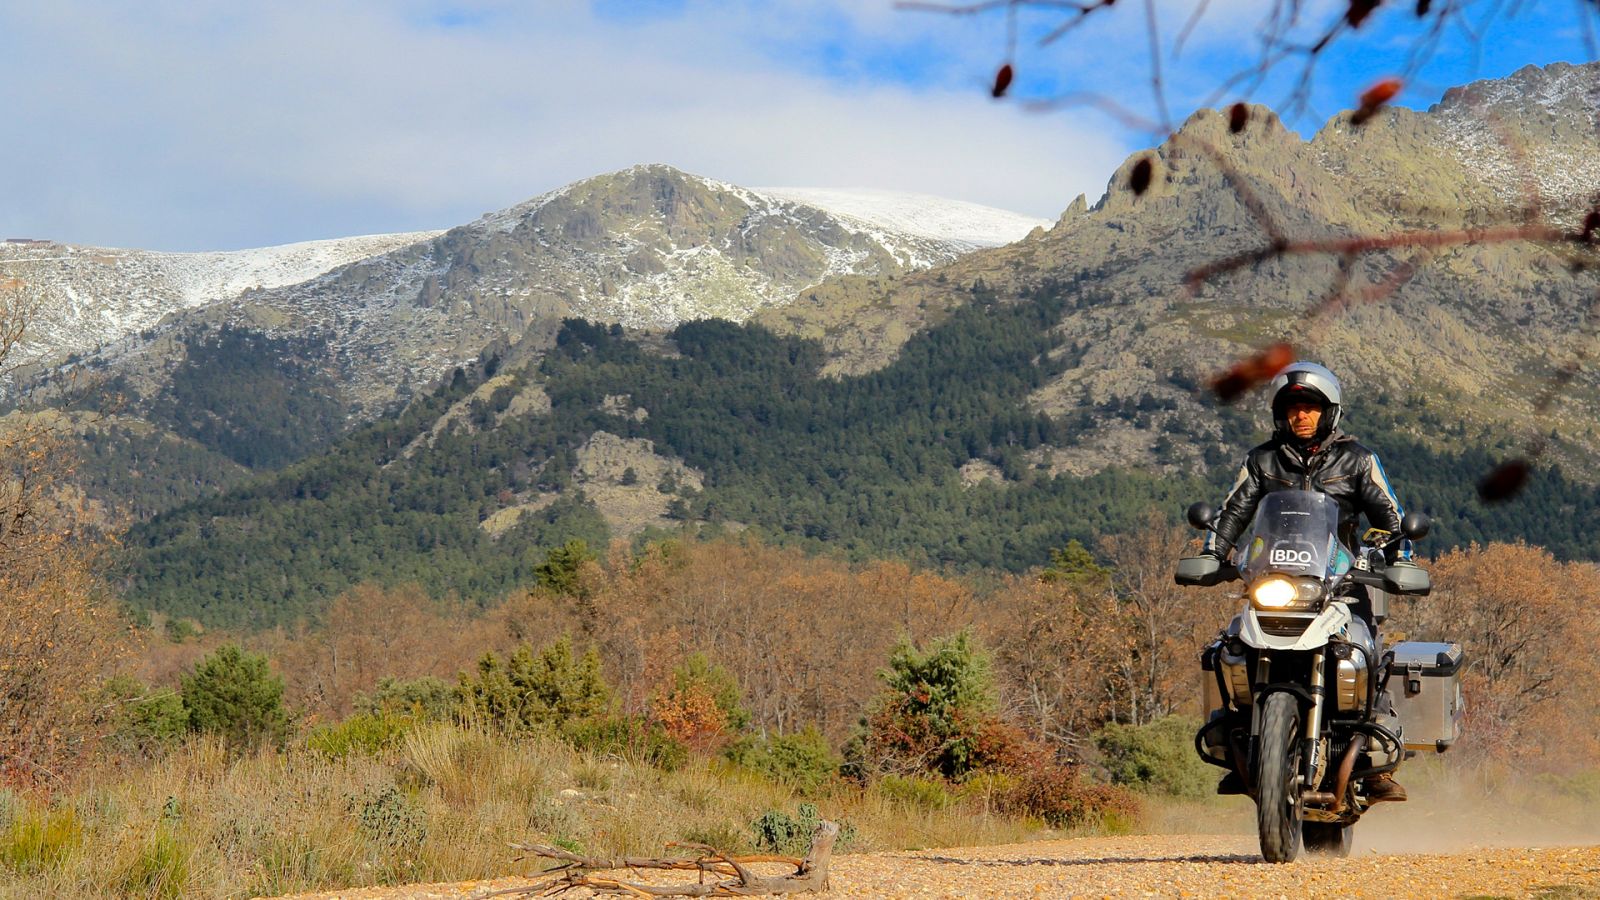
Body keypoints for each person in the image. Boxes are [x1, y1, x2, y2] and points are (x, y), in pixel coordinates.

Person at [1203, 361, 1411, 803]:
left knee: (1364, 650)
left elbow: (1390, 515)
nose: (1301, 415)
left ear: (1329, 411)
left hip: (1340, 582)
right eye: (1293, 407)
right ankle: (1238, 739)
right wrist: (1212, 552)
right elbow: (1234, 511)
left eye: (1310, 407)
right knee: (1230, 647)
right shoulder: (1262, 460)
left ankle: (1374, 751)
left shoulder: (1357, 460)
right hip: (1274, 580)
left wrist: (1400, 557)